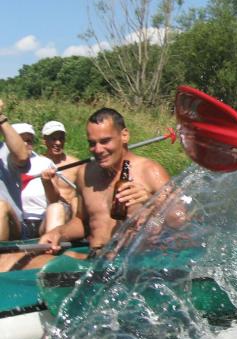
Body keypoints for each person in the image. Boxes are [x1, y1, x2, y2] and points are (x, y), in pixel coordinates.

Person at [41, 108, 170, 257]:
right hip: (95, 257)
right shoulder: (85, 174)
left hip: (134, 261)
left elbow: (181, 219)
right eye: (92, 143)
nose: (98, 149)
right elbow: (82, 221)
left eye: (105, 141)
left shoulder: (150, 171)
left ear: (124, 135)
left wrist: (151, 201)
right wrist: (58, 233)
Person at [0, 102, 31, 242]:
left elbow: (22, 156)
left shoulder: (5, 151)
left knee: (0, 207)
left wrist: (1, 117)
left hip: (11, 225)